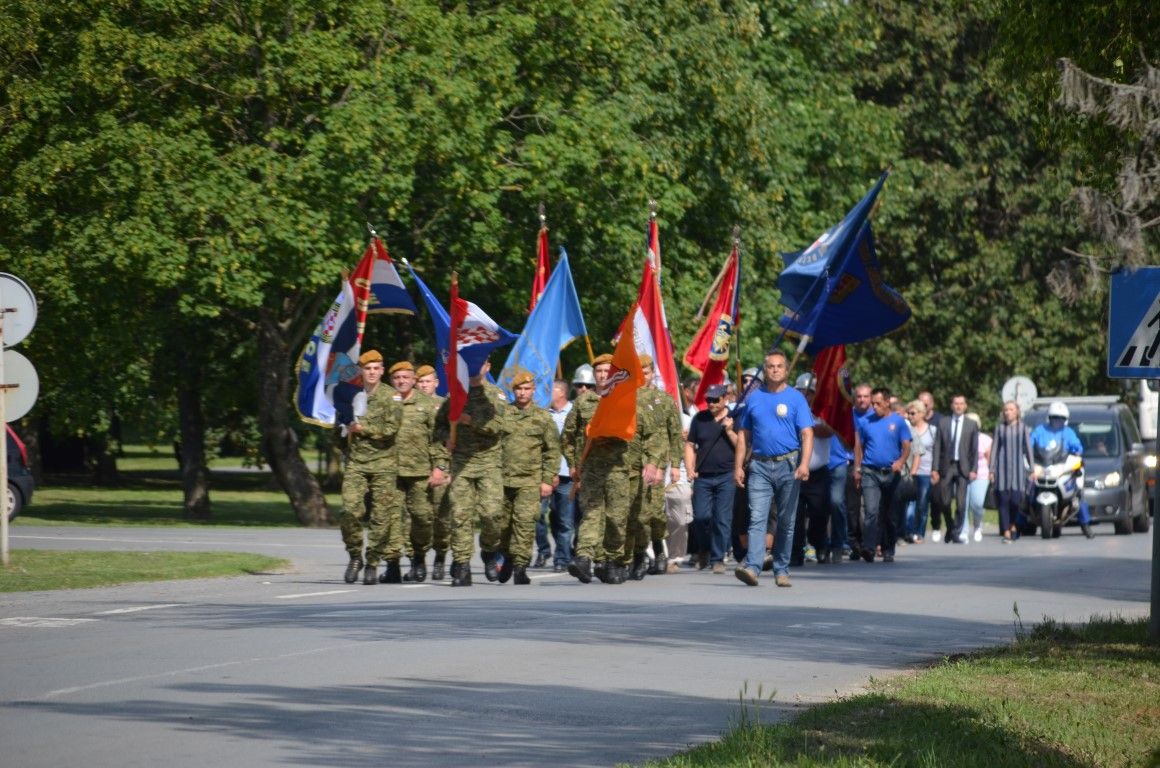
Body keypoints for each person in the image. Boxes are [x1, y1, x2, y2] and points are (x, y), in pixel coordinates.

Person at [569, 360, 664, 585]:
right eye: (599, 371)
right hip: (591, 469)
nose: (603, 375)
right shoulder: (583, 402)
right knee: (591, 513)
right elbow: (568, 435)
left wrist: (652, 463)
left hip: (620, 469)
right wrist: (573, 463)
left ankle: (612, 561)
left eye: (607, 370)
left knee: (616, 518)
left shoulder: (629, 400)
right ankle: (584, 558)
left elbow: (653, 435)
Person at [733, 351, 814, 588]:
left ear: (786, 370)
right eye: (771, 366)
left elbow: (807, 433)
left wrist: (804, 464)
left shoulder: (796, 398)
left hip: (789, 465)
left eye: (780, 366)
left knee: (786, 521)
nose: (775, 369)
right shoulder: (754, 398)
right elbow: (743, 434)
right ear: (765, 370)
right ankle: (753, 567)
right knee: (757, 517)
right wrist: (738, 466)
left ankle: (781, 569)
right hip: (759, 465)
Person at [433, 359, 510, 586]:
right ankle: (462, 564)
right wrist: (446, 438)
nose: (476, 368)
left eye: (481, 364)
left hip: (488, 462)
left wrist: (470, 421)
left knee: (492, 514)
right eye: (473, 364)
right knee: (460, 515)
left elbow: (499, 426)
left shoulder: (496, 395)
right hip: (461, 463)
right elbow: (438, 426)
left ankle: (489, 550)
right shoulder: (455, 395)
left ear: (488, 367)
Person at [339, 350, 404, 584]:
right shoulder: (350, 393)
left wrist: (361, 428)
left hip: (383, 464)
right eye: (368, 368)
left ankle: (373, 561)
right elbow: (339, 425)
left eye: (376, 368)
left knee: (381, 516)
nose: (372, 372)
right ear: (361, 371)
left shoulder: (391, 396)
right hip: (356, 463)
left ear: (382, 371)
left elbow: (391, 429)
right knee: (349, 511)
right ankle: (355, 555)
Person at [496, 371, 560, 585]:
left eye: (526, 389)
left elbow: (552, 451)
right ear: (513, 391)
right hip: (503, 479)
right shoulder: (503, 414)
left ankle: (520, 567)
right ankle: (507, 557)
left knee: (524, 523)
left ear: (533, 390)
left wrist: (547, 479)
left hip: (530, 481)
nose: (522, 393)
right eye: (518, 389)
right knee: (502, 525)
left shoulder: (543, 418)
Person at [387, 361, 445, 583]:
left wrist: (439, 467)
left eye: (406, 377)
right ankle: (393, 564)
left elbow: (438, 439)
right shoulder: (385, 401)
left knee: (422, 518)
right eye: (397, 378)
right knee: (392, 519)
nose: (401, 381)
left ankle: (419, 555)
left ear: (413, 380)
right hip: (388, 472)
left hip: (420, 472)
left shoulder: (427, 404)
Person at [627, 355, 683, 577]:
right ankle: (637, 555)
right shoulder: (626, 398)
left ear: (652, 373)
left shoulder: (664, 400)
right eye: (639, 372)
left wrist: (675, 464)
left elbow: (675, 434)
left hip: (657, 463)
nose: (643, 376)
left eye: (646, 372)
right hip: (632, 462)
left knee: (654, 512)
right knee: (634, 511)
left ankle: (659, 549)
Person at [853, 387, 911, 563]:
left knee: (890, 514)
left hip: (891, 473)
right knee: (871, 511)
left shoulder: (898, 422)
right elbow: (859, 446)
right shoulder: (866, 422)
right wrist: (857, 468)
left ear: (887, 402)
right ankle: (869, 548)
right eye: (873, 403)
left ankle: (888, 548)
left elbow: (906, 446)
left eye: (878, 403)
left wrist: (900, 461)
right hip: (870, 472)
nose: (874, 407)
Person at [685, 383, 738, 574]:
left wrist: (729, 431)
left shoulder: (735, 417)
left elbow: (743, 446)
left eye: (715, 400)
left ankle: (717, 558)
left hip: (727, 475)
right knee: (700, 517)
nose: (711, 403)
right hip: (703, 476)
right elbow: (690, 444)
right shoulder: (700, 418)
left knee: (722, 519)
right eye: (709, 399)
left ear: (725, 399)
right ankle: (704, 549)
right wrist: (689, 467)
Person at [1029, 401, 1095, 539]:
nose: (1057, 421)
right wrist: (1027, 451)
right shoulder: (1040, 430)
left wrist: (1077, 451)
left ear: (1065, 420)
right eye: (1054, 418)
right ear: (1049, 418)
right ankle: (1018, 525)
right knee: (1027, 491)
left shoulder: (1068, 432)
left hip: (1060, 467)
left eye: (1060, 418)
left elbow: (1077, 446)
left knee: (1077, 494)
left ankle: (1085, 525)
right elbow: (1030, 443)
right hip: (1042, 466)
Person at [790, 373, 834, 567]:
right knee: (795, 515)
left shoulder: (823, 413)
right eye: (801, 392)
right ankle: (795, 553)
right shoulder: (791, 411)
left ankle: (819, 544)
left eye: (809, 392)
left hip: (818, 473)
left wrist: (807, 425)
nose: (805, 396)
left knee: (819, 513)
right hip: (795, 471)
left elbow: (828, 432)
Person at [415, 364, 453, 580]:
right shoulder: (406, 404)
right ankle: (417, 558)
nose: (423, 385)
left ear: (436, 383)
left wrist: (445, 468)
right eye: (420, 382)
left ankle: (440, 556)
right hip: (415, 468)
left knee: (441, 517)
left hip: (441, 467)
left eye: (427, 381)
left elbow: (451, 440)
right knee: (416, 517)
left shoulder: (444, 406)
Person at [541, 379, 578, 571]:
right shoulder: (543, 413)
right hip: (544, 474)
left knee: (565, 520)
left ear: (562, 392)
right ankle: (549, 549)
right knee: (543, 517)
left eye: (552, 389)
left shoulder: (574, 411)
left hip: (566, 473)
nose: (547, 392)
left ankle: (562, 558)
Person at [931, 394, 978, 544]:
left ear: (965, 406)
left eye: (961, 403)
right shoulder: (943, 422)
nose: (958, 406)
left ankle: (956, 532)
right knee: (944, 501)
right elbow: (937, 445)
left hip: (963, 467)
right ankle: (950, 526)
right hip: (946, 465)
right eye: (956, 403)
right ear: (952, 405)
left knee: (961, 503)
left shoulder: (971, 424)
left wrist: (974, 469)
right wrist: (935, 468)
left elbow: (974, 449)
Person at [990, 400, 1034, 543]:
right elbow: (994, 449)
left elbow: (1028, 449)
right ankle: (1006, 531)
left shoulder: (1023, 428)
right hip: (1002, 468)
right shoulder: (1000, 428)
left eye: (1011, 410)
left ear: (1017, 412)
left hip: (1017, 469)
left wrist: (1032, 468)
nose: (1008, 412)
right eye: (1006, 410)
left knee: (1015, 501)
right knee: (1003, 501)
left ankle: (1013, 524)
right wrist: (991, 469)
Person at [904, 399, 937, 543]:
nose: (910, 416)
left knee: (922, 504)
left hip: (925, 471)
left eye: (913, 413)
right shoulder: (906, 429)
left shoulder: (932, 430)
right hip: (909, 471)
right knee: (909, 503)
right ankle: (907, 531)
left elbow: (937, 451)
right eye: (908, 413)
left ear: (922, 414)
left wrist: (935, 470)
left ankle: (919, 532)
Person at [965, 412, 991, 542]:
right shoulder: (961, 439)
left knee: (977, 503)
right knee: (963, 504)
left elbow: (989, 459)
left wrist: (992, 473)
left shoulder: (985, 439)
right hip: (963, 474)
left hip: (981, 474)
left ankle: (977, 526)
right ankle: (963, 530)